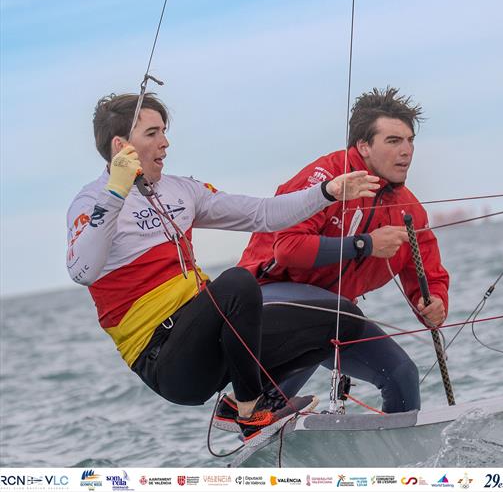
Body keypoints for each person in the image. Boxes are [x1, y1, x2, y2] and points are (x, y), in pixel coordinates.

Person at [66, 93, 379, 443]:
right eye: (152, 133)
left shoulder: (181, 190)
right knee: (237, 283)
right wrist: (116, 192)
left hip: (208, 337)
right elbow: (82, 271)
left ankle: (240, 405)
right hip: (165, 359)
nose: (165, 143)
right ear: (121, 146)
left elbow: (263, 214)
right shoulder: (92, 201)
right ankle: (251, 412)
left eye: (164, 131)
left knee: (341, 319)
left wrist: (327, 192)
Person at [237, 87, 449, 414]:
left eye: (410, 141)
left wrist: (434, 302)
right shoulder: (327, 179)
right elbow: (288, 249)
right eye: (393, 141)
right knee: (328, 314)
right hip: (265, 297)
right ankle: (254, 414)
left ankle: (398, 446)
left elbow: (428, 274)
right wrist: (366, 245)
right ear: (363, 146)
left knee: (401, 374)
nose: (406, 151)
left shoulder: (410, 211)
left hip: (332, 315)